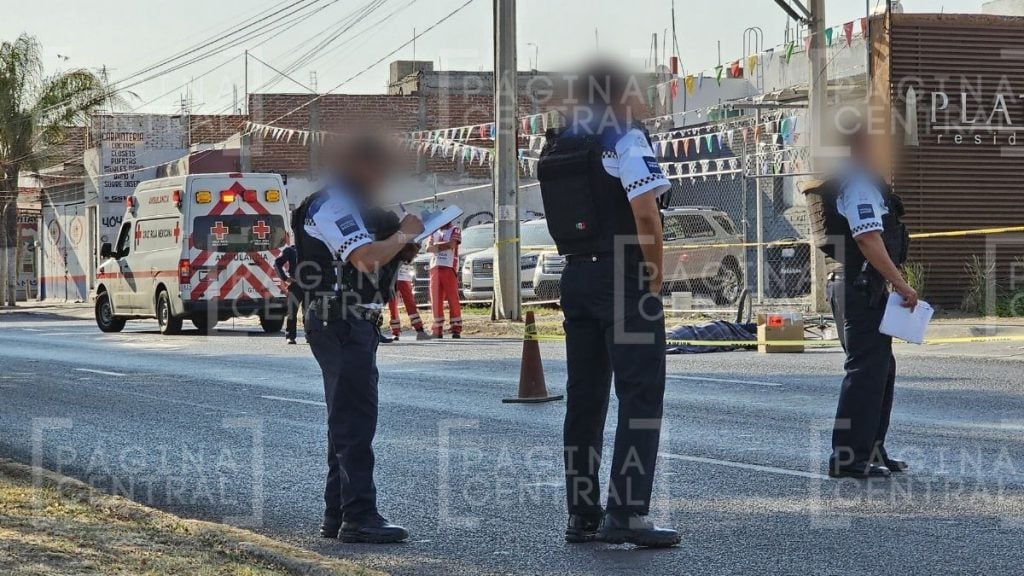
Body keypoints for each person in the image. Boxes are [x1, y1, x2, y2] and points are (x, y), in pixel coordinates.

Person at [537, 65, 679, 548]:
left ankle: (583, 514)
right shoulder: (626, 140)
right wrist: (654, 280)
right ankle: (629, 511)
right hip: (624, 277)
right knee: (640, 397)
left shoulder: (558, 146)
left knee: (585, 399)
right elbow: (645, 213)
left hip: (575, 277)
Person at [293, 137, 422, 543]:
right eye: (380, 169)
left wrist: (401, 248)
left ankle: (338, 515)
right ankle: (359, 516)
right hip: (340, 322)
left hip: (353, 322)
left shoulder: (356, 206)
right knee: (354, 421)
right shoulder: (332, 204)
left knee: (346, 421)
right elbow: (364, 258)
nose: (383, 179)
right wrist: (404, 236)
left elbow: (373, 257)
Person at [819, 128, 915, 479]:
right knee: (864, 372)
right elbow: (868, 239)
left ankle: (872, 449)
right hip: (859, 286)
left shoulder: (862, 181)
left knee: (880, 370)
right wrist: (901, 284)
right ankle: (848, 457)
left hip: (863, 286)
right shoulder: (857, 183)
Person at [425, 221, 462, 339]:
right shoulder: (434, 231)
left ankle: (456, 329)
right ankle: (437, 329)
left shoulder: (455, 229)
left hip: (449, 266)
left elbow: (451, 245)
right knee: (435, 300)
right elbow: (428, 248)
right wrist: (441, 246)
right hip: (435, 267)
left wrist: (436, 246)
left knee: (453, 298)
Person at [387, 261, 429, 340]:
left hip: (404, 276)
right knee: (392, 305)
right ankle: (395, 332)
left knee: (410, 303)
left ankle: (420, 330)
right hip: (392, 278)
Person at [274, 244, 302, 344]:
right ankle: (290, 336)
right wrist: (285, 278)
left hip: (310, 284)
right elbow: (277, 263)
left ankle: (310, 335)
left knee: (310, 312)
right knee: (292, 311)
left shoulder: (311, 248)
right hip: (295, 284)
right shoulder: (290, 250)